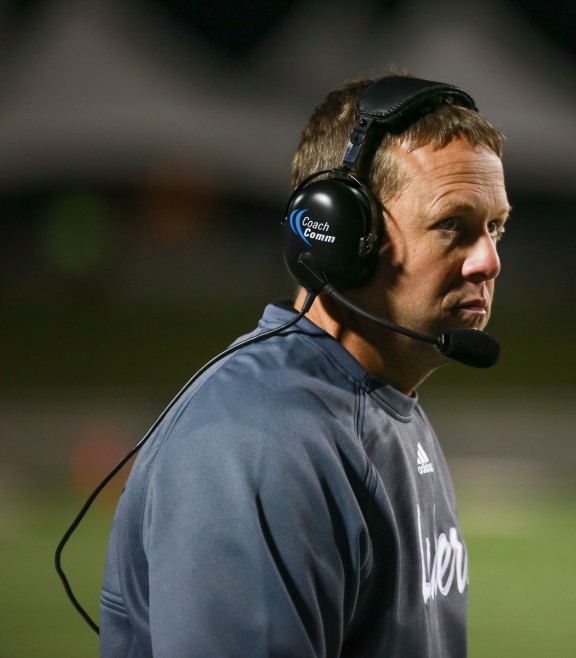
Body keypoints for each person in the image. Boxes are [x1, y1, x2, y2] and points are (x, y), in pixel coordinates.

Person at [99, 74, 510, 657]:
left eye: (496, 227)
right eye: (453, 226)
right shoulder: (262, 442)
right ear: (342, 237)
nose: (489, 262)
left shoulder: (382, 406)